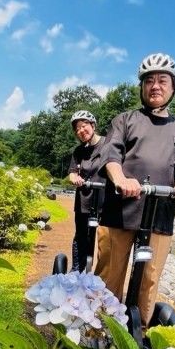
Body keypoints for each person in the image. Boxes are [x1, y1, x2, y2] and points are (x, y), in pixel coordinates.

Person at [95, 52, 175, 326]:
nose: (155, 86)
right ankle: (98, 329)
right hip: (120, 211)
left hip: (160, 216)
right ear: (142, 87)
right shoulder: (126, 120)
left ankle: (139, 335)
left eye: (162, 80)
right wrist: (120, 179)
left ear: (173, 87)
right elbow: (111, 156)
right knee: (109, 274)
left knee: (149, 280)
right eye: (149, 81)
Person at [67, 110, 104, 271]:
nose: (81, 131)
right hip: (84, 200)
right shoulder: (79, 151)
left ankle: (103, 276)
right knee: (81, 237)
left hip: (105, 201)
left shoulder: (108, 145)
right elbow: (72, 172)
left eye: (83, 126)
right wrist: (74, 177)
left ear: (93, 125)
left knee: (106, 240)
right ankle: (77, 270)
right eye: (77, 129)